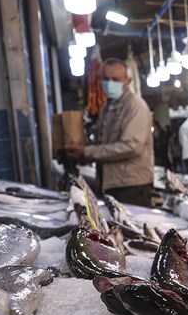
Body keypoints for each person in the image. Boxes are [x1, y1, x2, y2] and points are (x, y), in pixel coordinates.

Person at [66, 58, 154, 206]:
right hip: (110, 184)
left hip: (130, 186)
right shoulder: (106, 107)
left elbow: (131, 147)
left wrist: (88, 152)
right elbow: (103, 144)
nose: (110, 83)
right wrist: (82, 155)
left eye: (116, 79)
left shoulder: (135, 106)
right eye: (106, 79)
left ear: (128, 81)